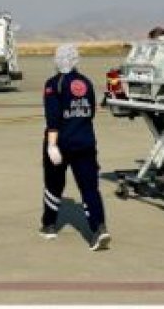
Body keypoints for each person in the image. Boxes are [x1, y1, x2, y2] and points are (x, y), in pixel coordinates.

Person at [39, 43, 111, 251]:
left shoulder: (54, 84)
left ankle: (49, 225)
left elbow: (53, 119)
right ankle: (99, 228)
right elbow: (90, 113)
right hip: (85, 142)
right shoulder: (86, 83)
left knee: (54, 185)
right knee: (90, 188)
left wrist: (52, 145)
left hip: (61, 144)